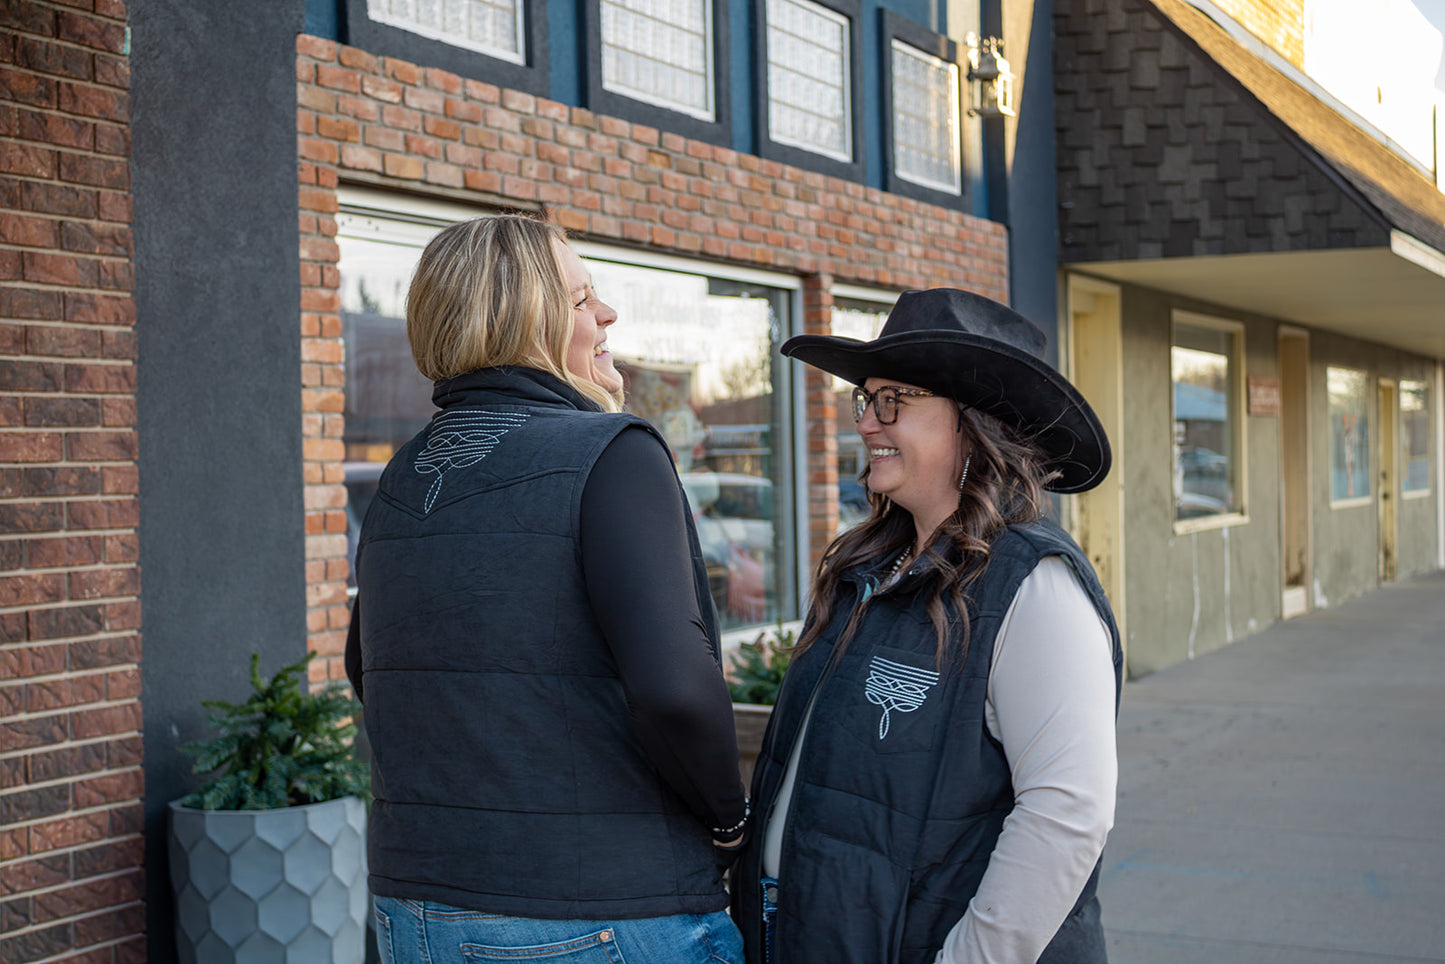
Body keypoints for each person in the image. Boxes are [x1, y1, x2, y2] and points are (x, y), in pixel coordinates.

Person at [344, 214, 750, 964]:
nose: (607, 314)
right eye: (580, 299)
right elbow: (674, 688)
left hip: (416, 908)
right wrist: (730, 821)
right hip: (597, 911)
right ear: (520, 320)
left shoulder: (408, 472)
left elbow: (368, 670)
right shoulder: (611, 451)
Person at [730, 288, 1123, 964]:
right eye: (865, 400)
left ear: (975, 425)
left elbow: (1065, 816)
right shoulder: (866, 567)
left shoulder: (1034, 584)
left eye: (895, 401)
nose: (866, 423)